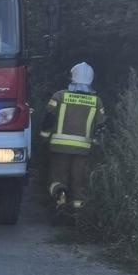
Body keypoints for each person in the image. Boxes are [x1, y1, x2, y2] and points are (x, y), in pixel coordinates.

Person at [39, 62, 106, 212]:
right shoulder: (96, 101)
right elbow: (101, 126)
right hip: (83, 149)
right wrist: (96, 144)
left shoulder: (59, 96)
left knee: (57, 177)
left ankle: (60, 198)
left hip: (59, 147)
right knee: (79, 181)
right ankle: (77, 213)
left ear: (72, 77)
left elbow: (48, 119)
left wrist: (43, 138)